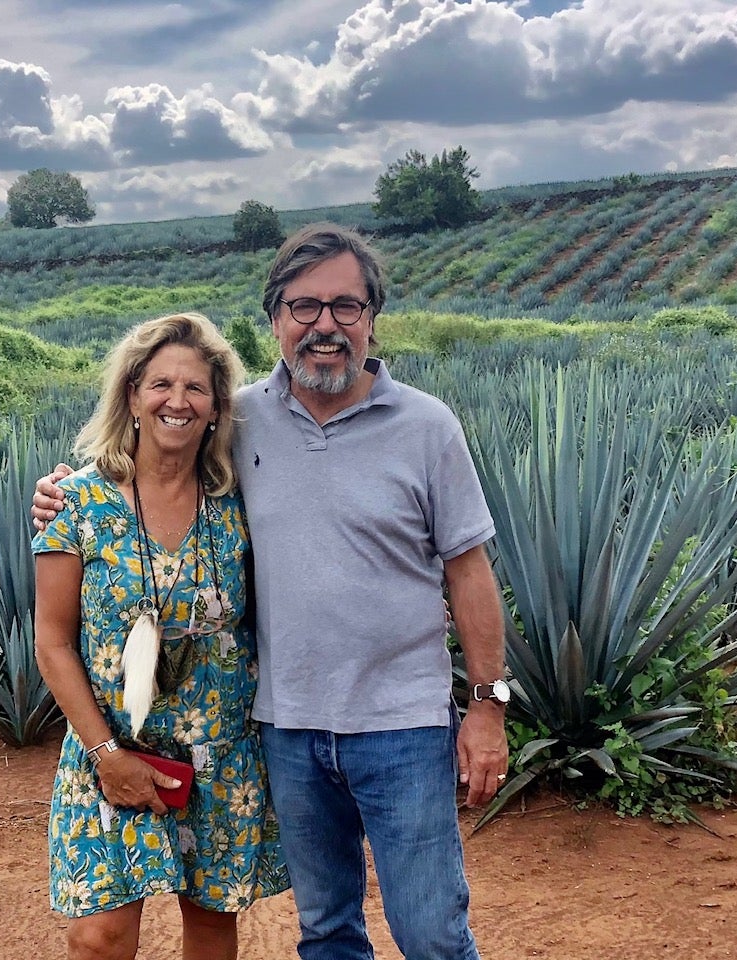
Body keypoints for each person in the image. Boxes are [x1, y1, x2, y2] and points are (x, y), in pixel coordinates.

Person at [34, 224, 508, 960]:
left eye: (346, 306)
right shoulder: (244, 420)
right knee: (326, 933)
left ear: (372, 317)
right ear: (276, 319)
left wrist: (486, 707)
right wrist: (59, 490)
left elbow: (468, 571)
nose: (325, 325)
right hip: (285, 729)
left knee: (431, 934)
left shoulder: (425, 425)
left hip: (399, 725)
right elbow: (154, 451)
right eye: (304, 306)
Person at [32, 312, 288, 960]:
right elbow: (53, 642)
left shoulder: (240, 505)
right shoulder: (77, 504)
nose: (178, 401)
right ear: (132, 397)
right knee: (99, 938)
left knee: (209, 928)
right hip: (109, 748)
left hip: (219, 755)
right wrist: (105, 756)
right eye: (161, 385)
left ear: (215, 409)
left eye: (196, 388)